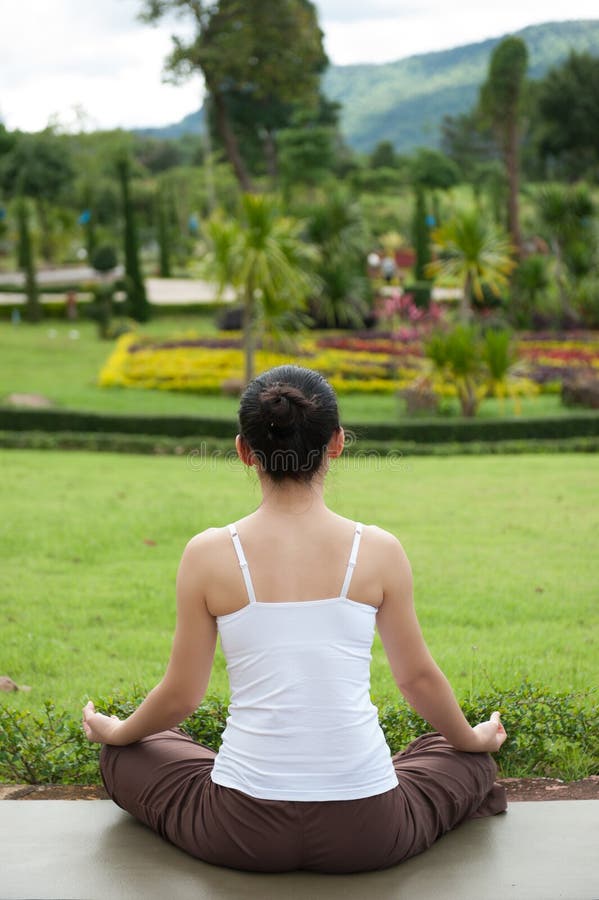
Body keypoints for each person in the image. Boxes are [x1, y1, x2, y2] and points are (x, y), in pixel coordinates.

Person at [82, 364, 507, 874]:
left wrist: (119, 733)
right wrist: (472, 742)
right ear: (337, 443)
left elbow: (182, 696)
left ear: (244, 450)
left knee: (130, 752)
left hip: (239, 828)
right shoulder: (378, 551)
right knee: (454, 751)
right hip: (370, 830)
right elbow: (416, 681)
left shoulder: (208, 554)